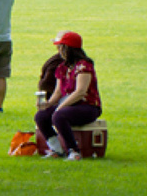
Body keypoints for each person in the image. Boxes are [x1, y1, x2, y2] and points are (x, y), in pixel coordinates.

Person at [34, 31, 102, 161]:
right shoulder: (62, 67)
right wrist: (47, 104)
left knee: (59, 115)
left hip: (87, 106)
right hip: (68, 104)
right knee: (41, 116)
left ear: (67, 48)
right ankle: (56, 148)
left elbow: (80, 92)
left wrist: (60, 106)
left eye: (60, 47)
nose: (58, 50)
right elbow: (58, 92)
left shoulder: (84, 66)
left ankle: (74, 151)